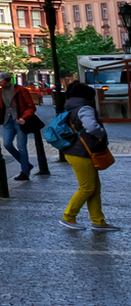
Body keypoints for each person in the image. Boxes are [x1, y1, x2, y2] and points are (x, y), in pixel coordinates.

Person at [60, 79, 117, 231]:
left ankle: (98, 220)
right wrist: (101, 134)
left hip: (77, 151)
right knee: (87, 187)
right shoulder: (84, 108)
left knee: (94, 187)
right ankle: (68, 216)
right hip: (81, 152)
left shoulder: (71, 106)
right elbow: (91, 126)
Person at [0, 72, 36, 182]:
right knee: (7, 144)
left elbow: (31, 106)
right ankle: (26, 165)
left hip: (20, 121)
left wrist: (24, 117)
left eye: (0, 81)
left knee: (21, 146)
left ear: (6, 79)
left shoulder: (20, 90)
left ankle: (24, 172)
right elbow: (2, 106)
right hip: (7, 121)